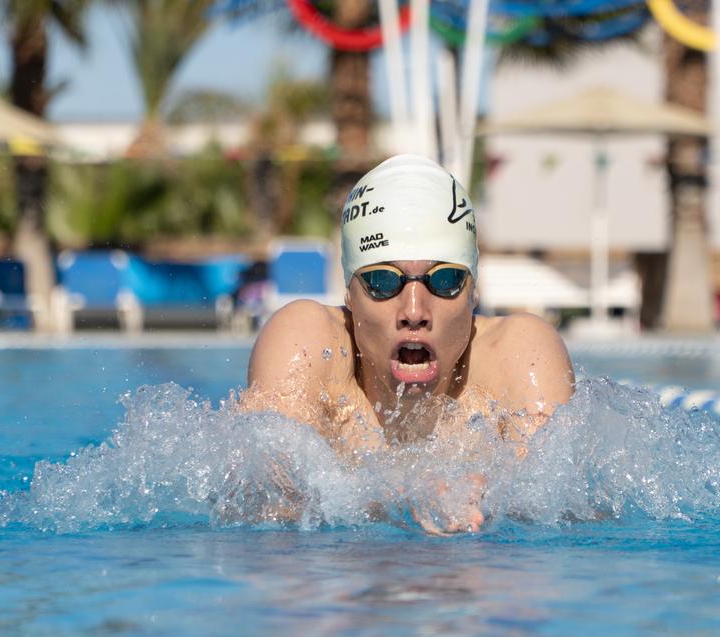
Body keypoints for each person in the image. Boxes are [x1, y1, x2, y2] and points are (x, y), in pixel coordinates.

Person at [243, 154, 575, 534]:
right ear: (349, 293)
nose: (414, 310)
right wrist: (405, 493)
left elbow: (559, 508)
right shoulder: (307, 341)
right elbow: (273, 499)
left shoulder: (519, 354)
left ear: (474, 291)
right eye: (383, 281)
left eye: (445, 279)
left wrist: (495, 500)